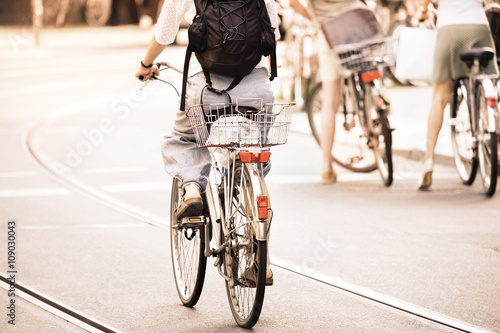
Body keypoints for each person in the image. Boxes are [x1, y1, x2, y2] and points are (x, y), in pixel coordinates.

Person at [135, 0, 280, 284]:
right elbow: (271, 31)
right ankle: (263, 261)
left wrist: (145, 64)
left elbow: (164, 33)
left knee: (185, 138)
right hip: (257, 92)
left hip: (206, 88)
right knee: (255, 158)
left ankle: (191, 187)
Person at [287, 0, 373, 184]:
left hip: (330, 31)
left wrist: (317, 20)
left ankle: (326, 166)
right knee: (370, 69)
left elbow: (294, 3)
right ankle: (377, 101)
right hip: (358, 22)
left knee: (330, 102)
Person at [417, 0, 499, 190]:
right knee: (491, 87)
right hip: (478, 27)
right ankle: (496, 146)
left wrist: (422, 11)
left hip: (449, 30)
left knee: (439, 96)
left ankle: (428, 160)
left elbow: (425, 3)